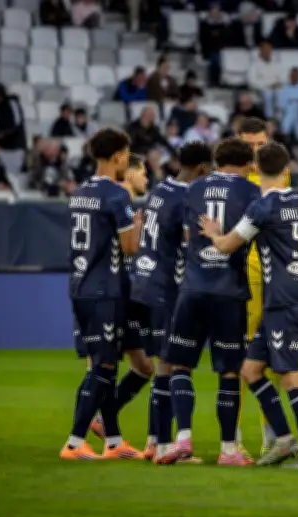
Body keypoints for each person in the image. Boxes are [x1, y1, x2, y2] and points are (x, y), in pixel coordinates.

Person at [200, 142, 298, 469]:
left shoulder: (262, 208)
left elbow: (226, 246)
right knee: (251, 370)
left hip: (281, 300)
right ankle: (285, 439)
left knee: (291, 376)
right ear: (287, 169)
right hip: (297, 292)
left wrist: (213, 233)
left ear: (254, 170)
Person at [155, 138, 259, 466]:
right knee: (229, 371)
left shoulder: (194, 189)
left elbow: (184, 234)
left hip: (193, 287)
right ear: (247, 163)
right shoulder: (250, 192)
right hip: (229, 290)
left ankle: (182, 438)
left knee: (180, 365)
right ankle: (229, 449)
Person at [60, 128, 143, 461]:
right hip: (104, 288)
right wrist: (136, 225)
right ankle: (74, 442)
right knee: (105, 365)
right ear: (120, 156)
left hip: (80, 285)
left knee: (103, 364)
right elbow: (129, 248)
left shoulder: (80, 191)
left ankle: (114, 442)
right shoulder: (116, 195)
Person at [86, 154, 152, 448]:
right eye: (144, 172)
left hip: (126, 293)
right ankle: (86, 437)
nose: (147, 179)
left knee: (143, 366)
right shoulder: (114, 201)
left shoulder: (123, 204)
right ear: (131, 172)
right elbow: (127, 249)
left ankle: (101, 421)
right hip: (104, 294)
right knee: (101, 366)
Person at [237, 117, 291, 454]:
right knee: (241, 355)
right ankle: (236, 437)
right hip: (244, 275)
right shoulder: (234, 178)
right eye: (249, 145)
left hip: (277, 275)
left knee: (272, 356)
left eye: (260, 144)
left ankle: (271, 432)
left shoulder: (281, 176)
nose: (255, 151)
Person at [0, 84, 27, 174]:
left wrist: (5, 134)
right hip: (4, 147)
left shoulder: (12, 103)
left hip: (16, 146)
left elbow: (18, 124)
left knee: (15, 173)